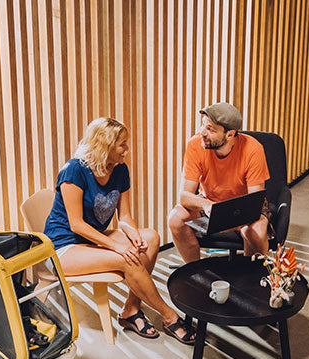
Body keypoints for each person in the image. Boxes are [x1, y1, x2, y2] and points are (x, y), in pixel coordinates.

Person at [44, 118, 194, 345]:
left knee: (151, 238)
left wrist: (134, 235)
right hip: (63, 246)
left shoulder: (120, 170)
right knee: (127, 258)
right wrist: (116, 246)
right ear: (104, 145)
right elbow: (76, 224)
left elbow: (124, 216)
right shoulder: (74, 170)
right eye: (122, 144)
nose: (127, 149)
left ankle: (130, 310)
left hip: (93, 239)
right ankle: (169, 315)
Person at [168, 102, 270, 263]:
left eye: (211, 130)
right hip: (210, 203)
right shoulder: (195, 145)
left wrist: (241, 221)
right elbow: (184, 196)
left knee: (255, 232)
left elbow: (254, 201)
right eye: (203, 125)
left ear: (230, 134)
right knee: (175, 218)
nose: (203, 133)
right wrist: (208, 205)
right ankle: (195, 270)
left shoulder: (253, 149)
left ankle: (250, 277)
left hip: (242, 207)